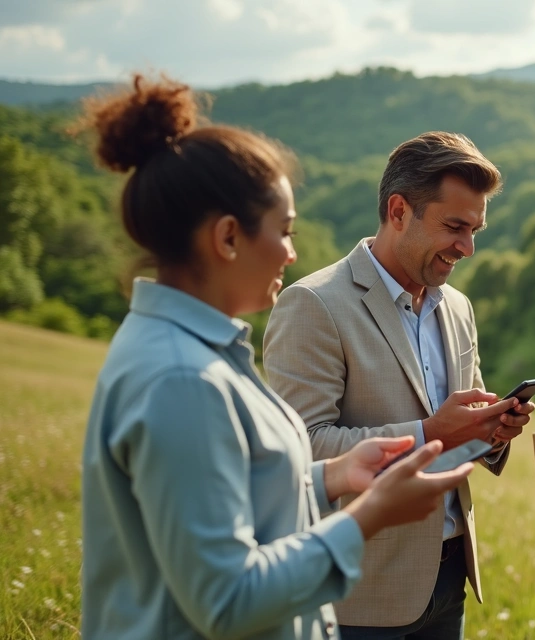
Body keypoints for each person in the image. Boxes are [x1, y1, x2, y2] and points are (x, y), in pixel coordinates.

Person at [79, 75, 470, 640]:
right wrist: (368, 515)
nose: (292, 251)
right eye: (284, 231)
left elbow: (221, 498)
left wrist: (329, 477)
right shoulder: (181, 378)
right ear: (228, 237)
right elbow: (226, 599)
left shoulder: (191, 352)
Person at [264, 131, 534, 639]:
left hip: (449, 576)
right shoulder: (313, 304)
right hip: (359, 591)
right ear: (398, 211)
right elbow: (299, 450)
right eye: (454, 226)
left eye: (475, 230)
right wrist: (431, 431)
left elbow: (465, 428)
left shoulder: (457, 306)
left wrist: (493, 432)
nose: (468, 248)